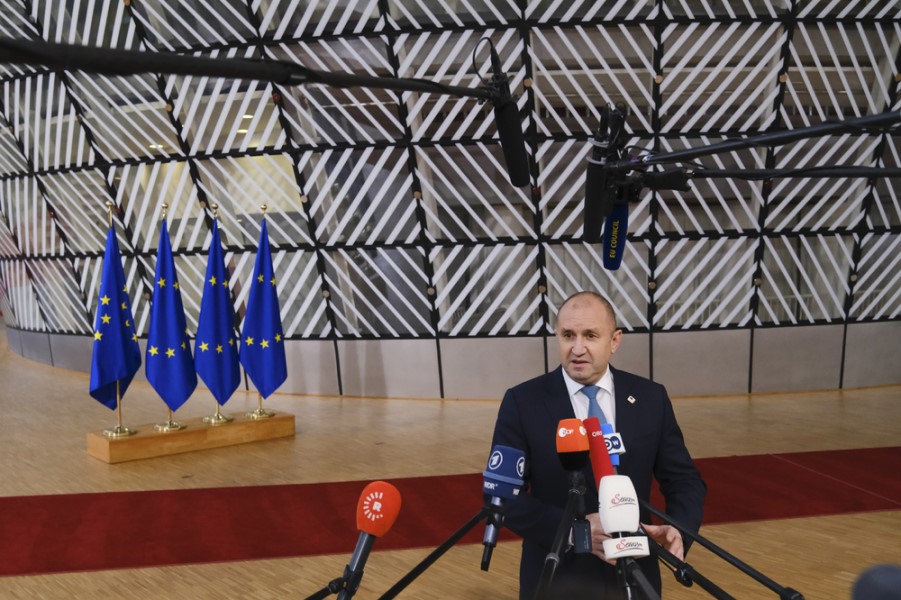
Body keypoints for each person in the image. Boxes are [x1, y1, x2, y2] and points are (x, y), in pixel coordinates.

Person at [490, 291, 706, 599]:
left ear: (614, 341)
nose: (578, 348)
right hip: (556, 578)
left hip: (636, 576)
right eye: (568, 335)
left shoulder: (650, 397)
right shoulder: (523, 402)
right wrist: (574, 532)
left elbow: (684, 480)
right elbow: (500, 495)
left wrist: (678, 532)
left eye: (590, 335)